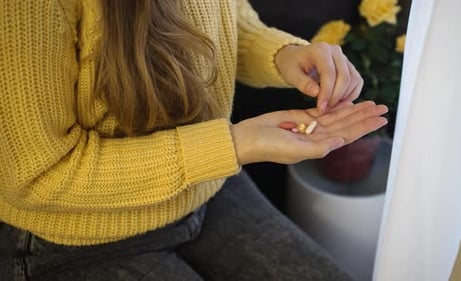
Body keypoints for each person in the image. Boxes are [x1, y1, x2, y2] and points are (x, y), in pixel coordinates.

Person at [0, 0, 388, 280]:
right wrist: (234, 146)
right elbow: (38, 175)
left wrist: (285, 53)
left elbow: (223, 17)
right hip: (75, 241)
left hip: (208, 188)